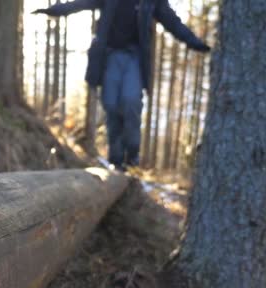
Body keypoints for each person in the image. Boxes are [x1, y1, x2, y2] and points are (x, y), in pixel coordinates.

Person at [34, 0, 210, 170]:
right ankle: (116, 160)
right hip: (109, 57)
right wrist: (52, 10)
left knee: (130, 101)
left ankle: (132, 154)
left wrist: (194, 42)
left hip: (134, 58)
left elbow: (172, 22)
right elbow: (80, 4)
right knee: (111, 105)